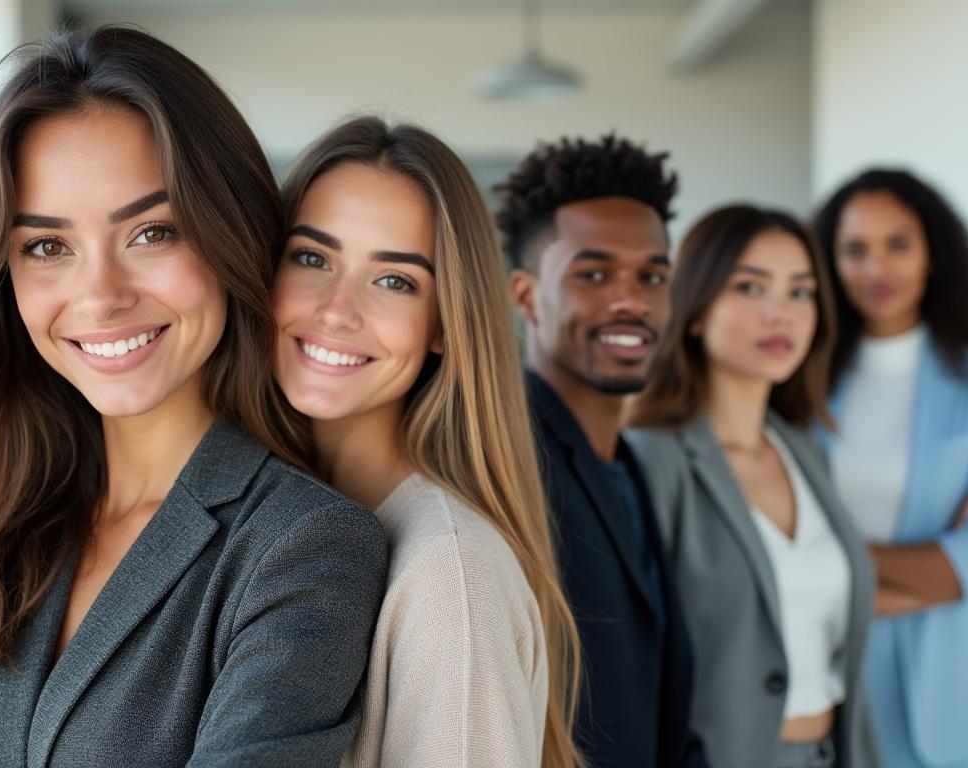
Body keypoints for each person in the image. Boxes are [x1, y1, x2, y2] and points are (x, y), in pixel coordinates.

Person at [0, 25, 387, 767]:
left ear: (233, 233)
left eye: (152, 233)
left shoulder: (304, 546)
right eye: (47, 246)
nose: (100, 296)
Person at [272, 116, 581, 768]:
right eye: (312, 258)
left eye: (395, 281)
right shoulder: (268, 517)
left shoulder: (451, 578)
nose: (337, 310)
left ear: (444, 324)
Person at [628, 205, 877, 768]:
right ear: (694, 310)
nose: (780, 313)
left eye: (800, 292)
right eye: (750, 287)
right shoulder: (653, 458)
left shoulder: (806, 452)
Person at [496, 134, 706, 767]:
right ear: (526, 296)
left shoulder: (631, 464)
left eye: (652, 276)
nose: (631, 300)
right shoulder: (506, 458)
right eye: (593, 274)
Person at [814, 168, 968, 768]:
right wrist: (927, 569)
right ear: (829, 263)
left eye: (897, 244)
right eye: (856, 249)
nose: (876, 268)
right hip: (819, 685)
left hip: (940, 705)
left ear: (933, 254)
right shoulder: (802, 378)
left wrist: (834, 559)